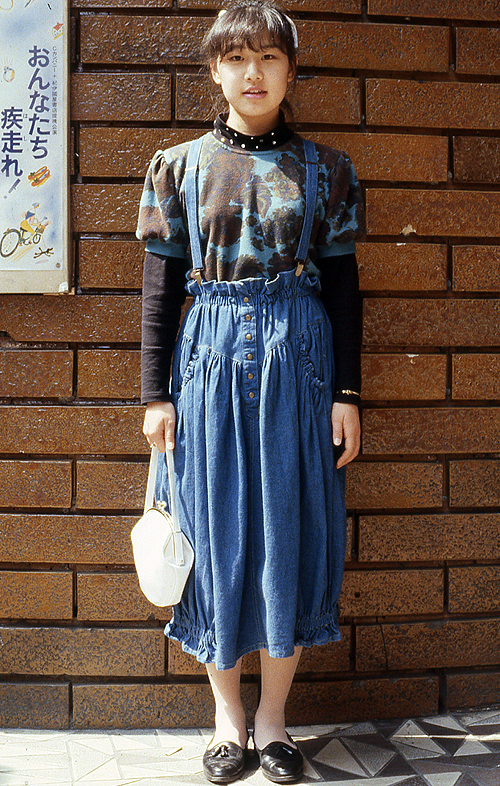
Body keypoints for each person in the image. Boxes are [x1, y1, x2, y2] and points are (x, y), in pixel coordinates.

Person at [136, 2, 365, 782]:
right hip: (206, 365)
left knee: (290, 529)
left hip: (300, 362)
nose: (253, 73)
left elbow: (345, 287)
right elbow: (160, 290)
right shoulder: (178, 168)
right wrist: (155, 395)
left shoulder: (327, 170)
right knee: (213, 529)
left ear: (291, 70)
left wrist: (347, 393)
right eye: (236, 58)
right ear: (214, 70)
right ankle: (227, 717)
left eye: (269, 57)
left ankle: (274, 721)